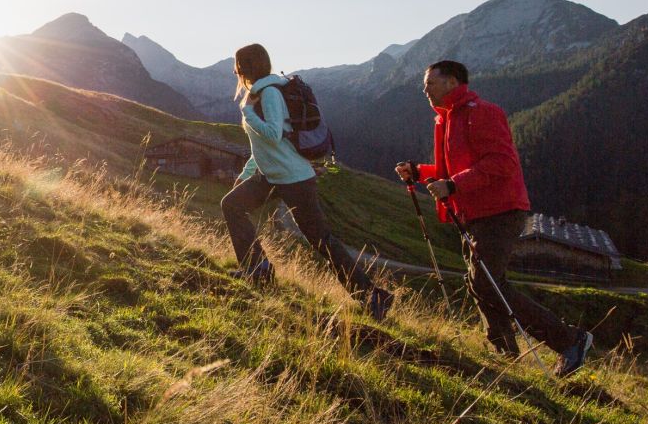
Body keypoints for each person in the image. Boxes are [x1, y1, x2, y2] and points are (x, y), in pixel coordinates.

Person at [395, 60, 592, 376]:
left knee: (485, 283)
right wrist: (420, 172)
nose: (425, 90)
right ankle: (507, 356)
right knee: (481, 284)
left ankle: (569, 340)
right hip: (473, 212)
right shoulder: (446, 120)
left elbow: (502, 163)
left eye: (430, 83)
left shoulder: (481, 112)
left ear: (452, 82)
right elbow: (450, 173)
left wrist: (454, 185)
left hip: (499, 210)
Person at [221, 43, 392, 320]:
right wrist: (247, 171)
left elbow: (274, 134)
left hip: (295, 179)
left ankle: (373, 297)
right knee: (231, 205)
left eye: (237, 65)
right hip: (272, 176)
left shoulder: (269, 94)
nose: (235, 70)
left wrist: (248, 114)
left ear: (244, 67)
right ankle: (257, 270)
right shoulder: (257, 94)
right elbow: (261, 145)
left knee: (321, 240)